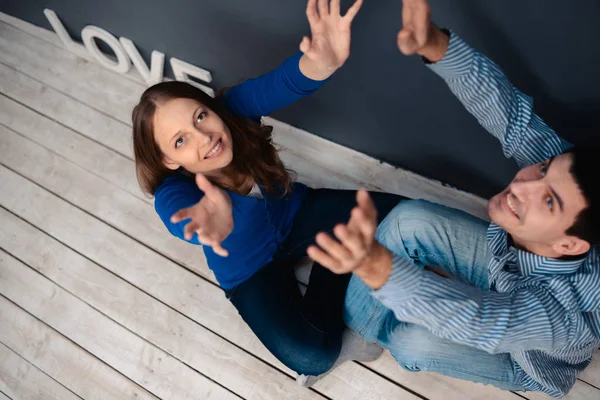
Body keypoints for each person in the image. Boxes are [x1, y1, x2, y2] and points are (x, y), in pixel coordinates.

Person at [309, 0, 600, 397]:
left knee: (411, 344)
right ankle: (360, 332)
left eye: (549, 201)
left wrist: (379, 269)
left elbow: (484, 321)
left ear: (568, 244)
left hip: (525, 356)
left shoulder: (559, 316)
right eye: (543, 169)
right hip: (508, 266)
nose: (523, 184)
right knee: (408, 221)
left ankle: (386, 320)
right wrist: (435, 45)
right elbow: (510, 114)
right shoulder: (568, 178)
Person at [132, 0, 403, 381]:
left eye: (200, 116)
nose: (205, 136)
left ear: (210, 108)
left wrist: (321, 63)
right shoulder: (173, 191)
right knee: (313, 358)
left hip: (296, 214)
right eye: (180, 141)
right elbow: (177, 215)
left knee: (396, 214)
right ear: (168, 160)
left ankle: (333, 257)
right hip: (251, 271)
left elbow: (284, 82)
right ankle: (341, 272)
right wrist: (209, 222)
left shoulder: (233, 111)